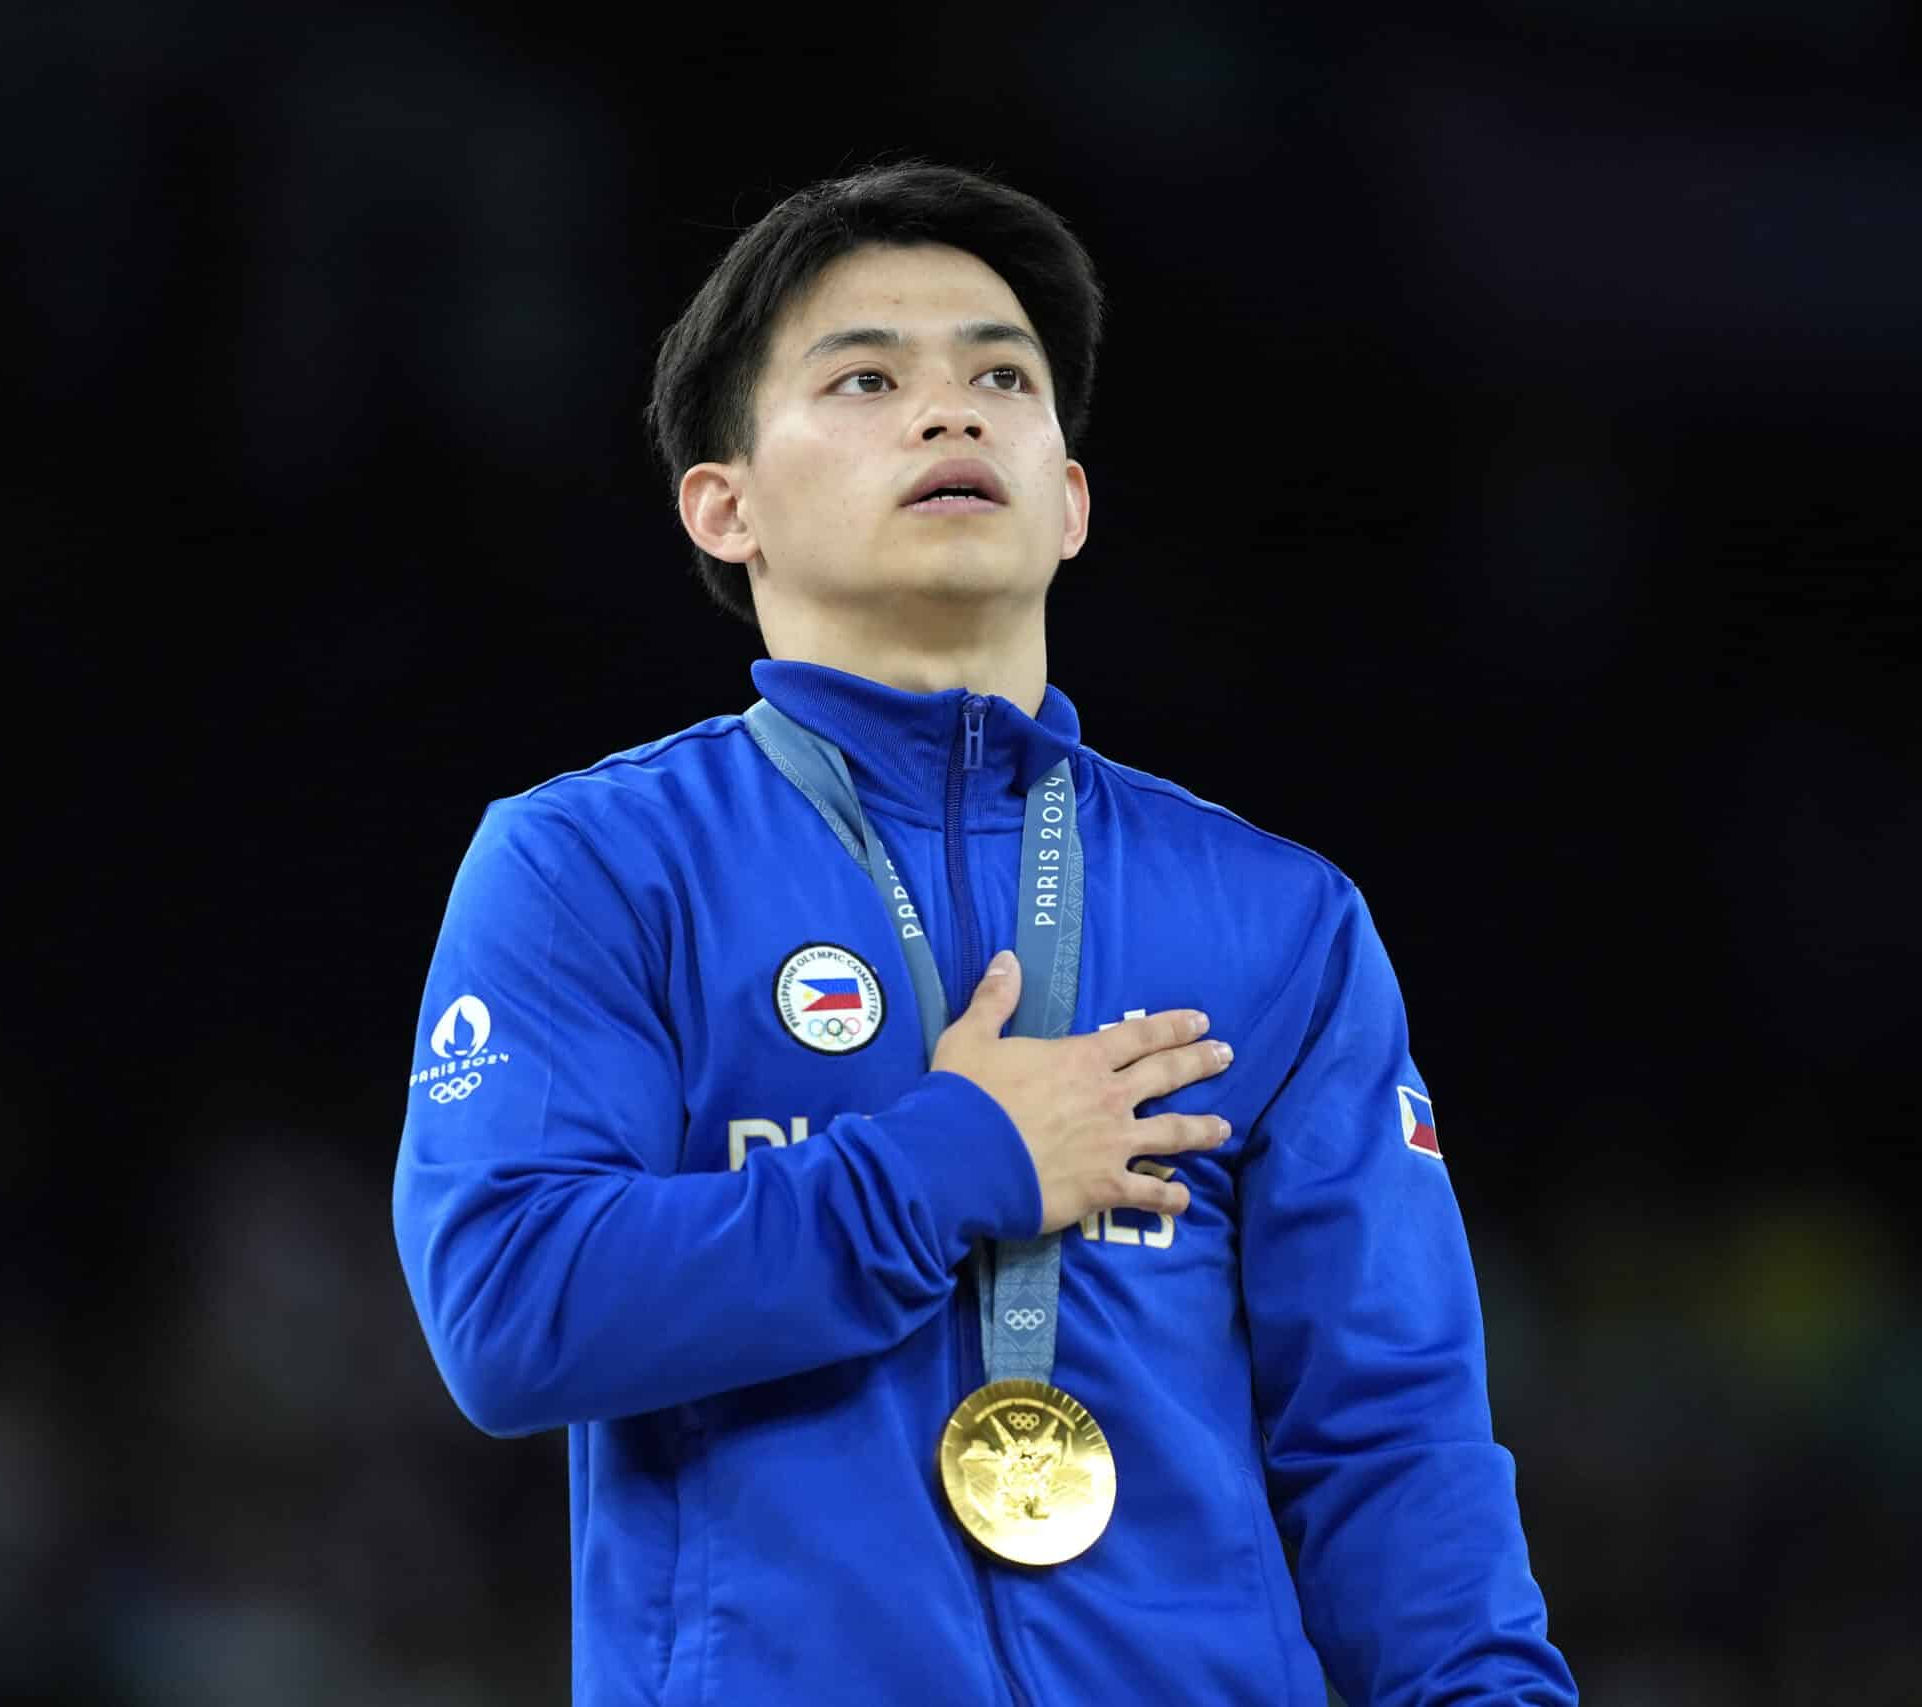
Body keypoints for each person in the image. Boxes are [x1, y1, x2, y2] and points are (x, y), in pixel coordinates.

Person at [390, 158, 1575, 1706]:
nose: (951, 413)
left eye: (1001, 377)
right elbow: (512, 1309)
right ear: (724, 504)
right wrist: (949, 1163)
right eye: (867, 376)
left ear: (1070, 500)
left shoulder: (1280, 919)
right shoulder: (595, 867)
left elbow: (1389, 1432)